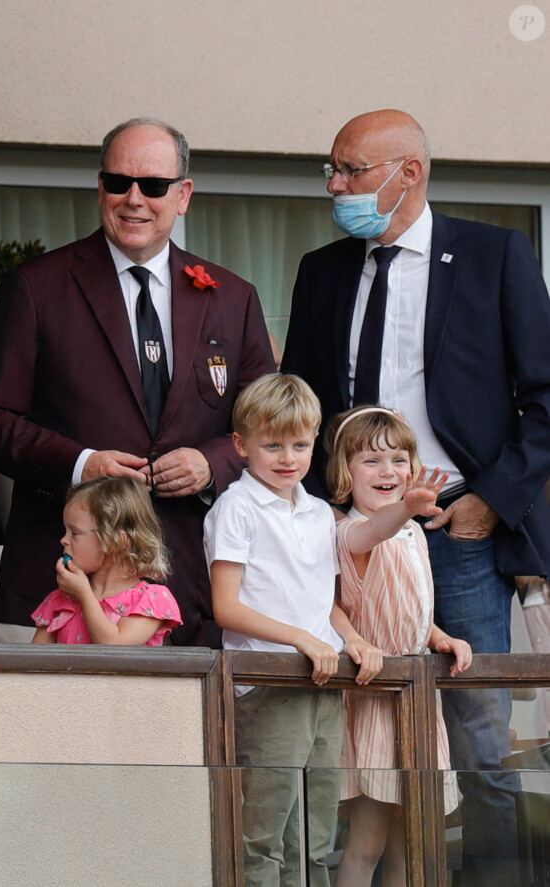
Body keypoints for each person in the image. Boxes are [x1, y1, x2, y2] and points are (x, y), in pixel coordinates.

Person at [281, 108, 550, 886]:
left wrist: (490, 502)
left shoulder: (496, 254)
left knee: (477, 740)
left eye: (352, 170)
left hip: (458, 532)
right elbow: (303, 402)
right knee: (353, 729)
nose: (336, 186)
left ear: (410, 172)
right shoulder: (322, 270)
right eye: (330, 169)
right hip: (355, 540)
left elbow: (544, 397)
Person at [0, 117, 274, 646]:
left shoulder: (232, 296)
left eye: (153, 186)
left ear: (183, 196)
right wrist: (82, 464)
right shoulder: (38, 287)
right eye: (118, 183)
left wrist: (213, 461)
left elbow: (269, 425)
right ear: (99, 187)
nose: (134, 199)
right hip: (63, 591)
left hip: (194, 587)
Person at [203, 373, 383, 887]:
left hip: (323, 683)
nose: (287, 457)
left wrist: (352, 638)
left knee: (315, 830)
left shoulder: (318, 513)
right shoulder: (235, 508)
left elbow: (322, 605)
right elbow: (225, 607)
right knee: (265, 834)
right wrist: (300, 639)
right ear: (241, 445)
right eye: (272, 444)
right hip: (268, 683)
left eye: (300, 445)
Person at [327, 406, 472, 887]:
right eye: (370, 461)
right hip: (375, 698)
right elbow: (376, 530)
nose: (387, 471)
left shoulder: (413, 533)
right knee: (367, 842)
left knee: (412, 842)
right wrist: (406, 507)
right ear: (345, 474)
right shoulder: (351, 531)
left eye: (397, 459)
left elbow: (414, 607)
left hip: (417, 698)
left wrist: (441, 637)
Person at [32, 476, 181, 645]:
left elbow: (114, 647)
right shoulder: (61, 600)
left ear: (117, 541)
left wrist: (84, 595)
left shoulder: (151, 599)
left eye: (75, 533)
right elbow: (34, 662)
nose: (63, 540)